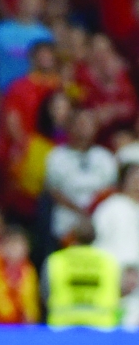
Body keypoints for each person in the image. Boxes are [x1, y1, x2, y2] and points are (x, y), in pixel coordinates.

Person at [44, 109, 118, 243]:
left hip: (99, 220)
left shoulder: (105, 157)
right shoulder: (56, 156)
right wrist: (81, 212)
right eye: (80, 123)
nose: (85, 127)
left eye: (89, 123)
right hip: (66, 223)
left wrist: (92, 210)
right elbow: (53, 191)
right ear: (69, 127)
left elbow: (110, 189)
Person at [43, 220, 121, 328]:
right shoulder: (109, 261)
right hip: (101, 326)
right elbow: (118, 290)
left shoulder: (56, 260)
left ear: (73, 236)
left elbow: (45, 292)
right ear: (95, 237)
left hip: (63, 325)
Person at [92, 164, 139, 326]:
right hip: (113, 281)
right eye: (134, 178)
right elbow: (99, 244)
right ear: (123, 181)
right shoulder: (111, 207)